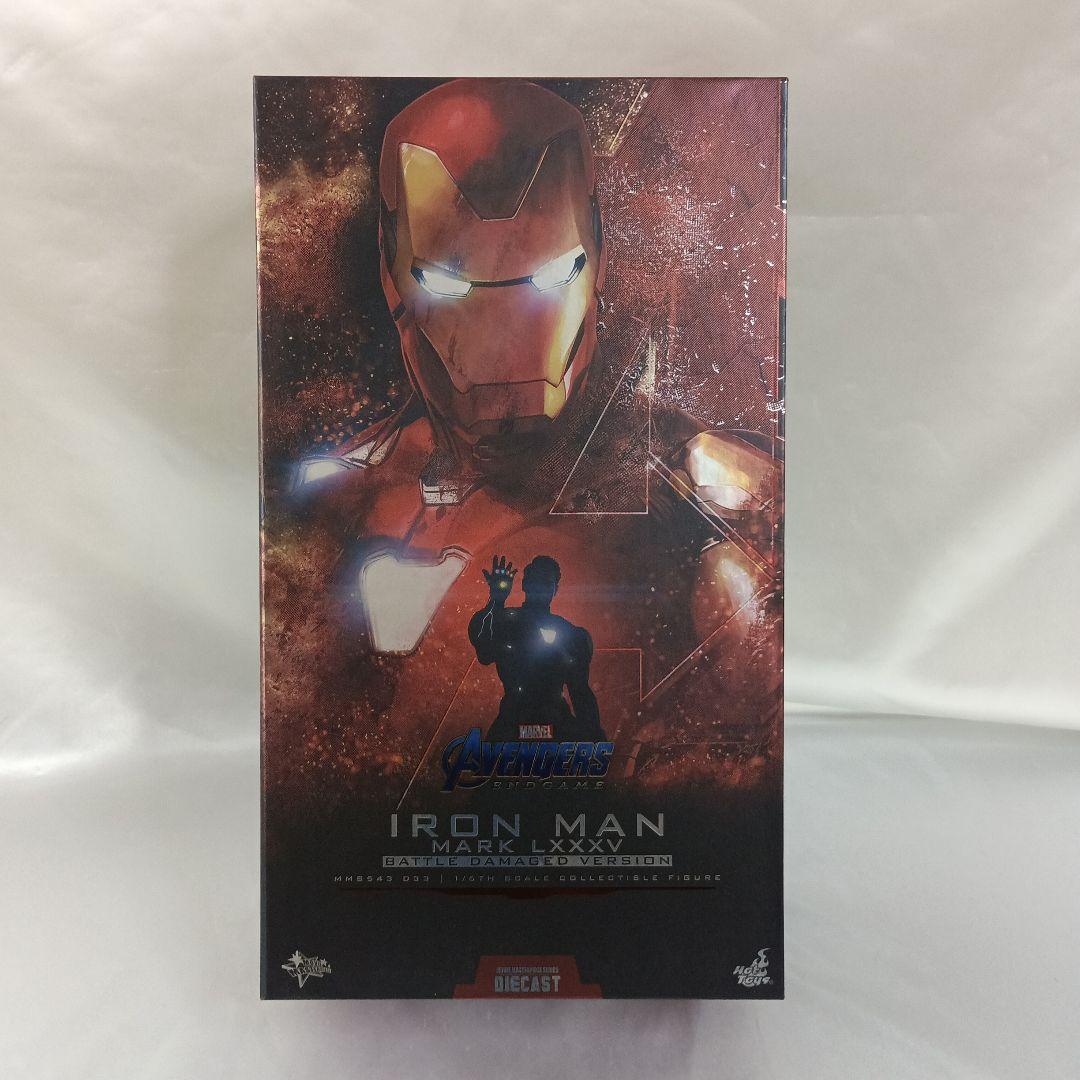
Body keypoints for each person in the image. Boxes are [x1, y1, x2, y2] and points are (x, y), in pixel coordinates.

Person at [468, 555, 604, 743]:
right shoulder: (506, 622)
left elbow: (580, 692)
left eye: (546, 582)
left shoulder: (570, 634)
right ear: (525, 584)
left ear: (555, 589)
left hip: (547, 723)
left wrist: (595, 738)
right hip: (517, 722)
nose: (541, 588)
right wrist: (496, 600)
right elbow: (484, 651)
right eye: (536, 580)